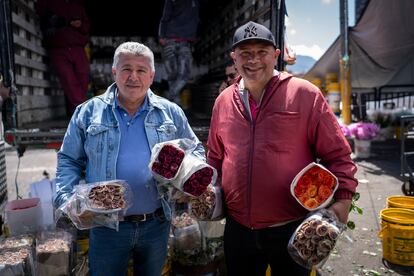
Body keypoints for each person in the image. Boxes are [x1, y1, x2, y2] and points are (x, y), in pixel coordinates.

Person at [207, 21, 358, 276]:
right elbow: (215, 156)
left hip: (291, 226)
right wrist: (205, 189)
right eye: (245, 53)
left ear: (276, 55)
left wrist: (343, 201)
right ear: (234, 58)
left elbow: (338, 154)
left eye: (262, 52)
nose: (253, 60)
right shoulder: (224, 101)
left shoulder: (304, 94)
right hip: (238, 228)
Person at [54, 42, 205, 276]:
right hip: (107, 227)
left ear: (152, 76)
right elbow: (68, 160)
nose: (133, 77)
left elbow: (195, 151)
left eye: (141, 70)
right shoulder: (88, 112)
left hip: (156, 224)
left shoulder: (170, 112)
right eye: (126, 69)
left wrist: (188, 181)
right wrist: (67, 200)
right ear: (114, 72)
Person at [36, 0, 90, 115]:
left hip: (78, 48)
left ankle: (78, 112)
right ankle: (82, 112)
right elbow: (39, 10)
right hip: (58, 48)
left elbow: (87, 26)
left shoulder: (78, 6)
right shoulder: (49, 3)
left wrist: (80, 25)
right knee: (68, 80)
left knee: (83, 77)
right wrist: (52, 19)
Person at [158, 0, 203, 105]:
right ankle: (175, 105)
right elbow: (164, 17)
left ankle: (168, 97)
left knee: (184, 74)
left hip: (185, 43)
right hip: (169, 40)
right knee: (172, 75)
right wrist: (161, 35)